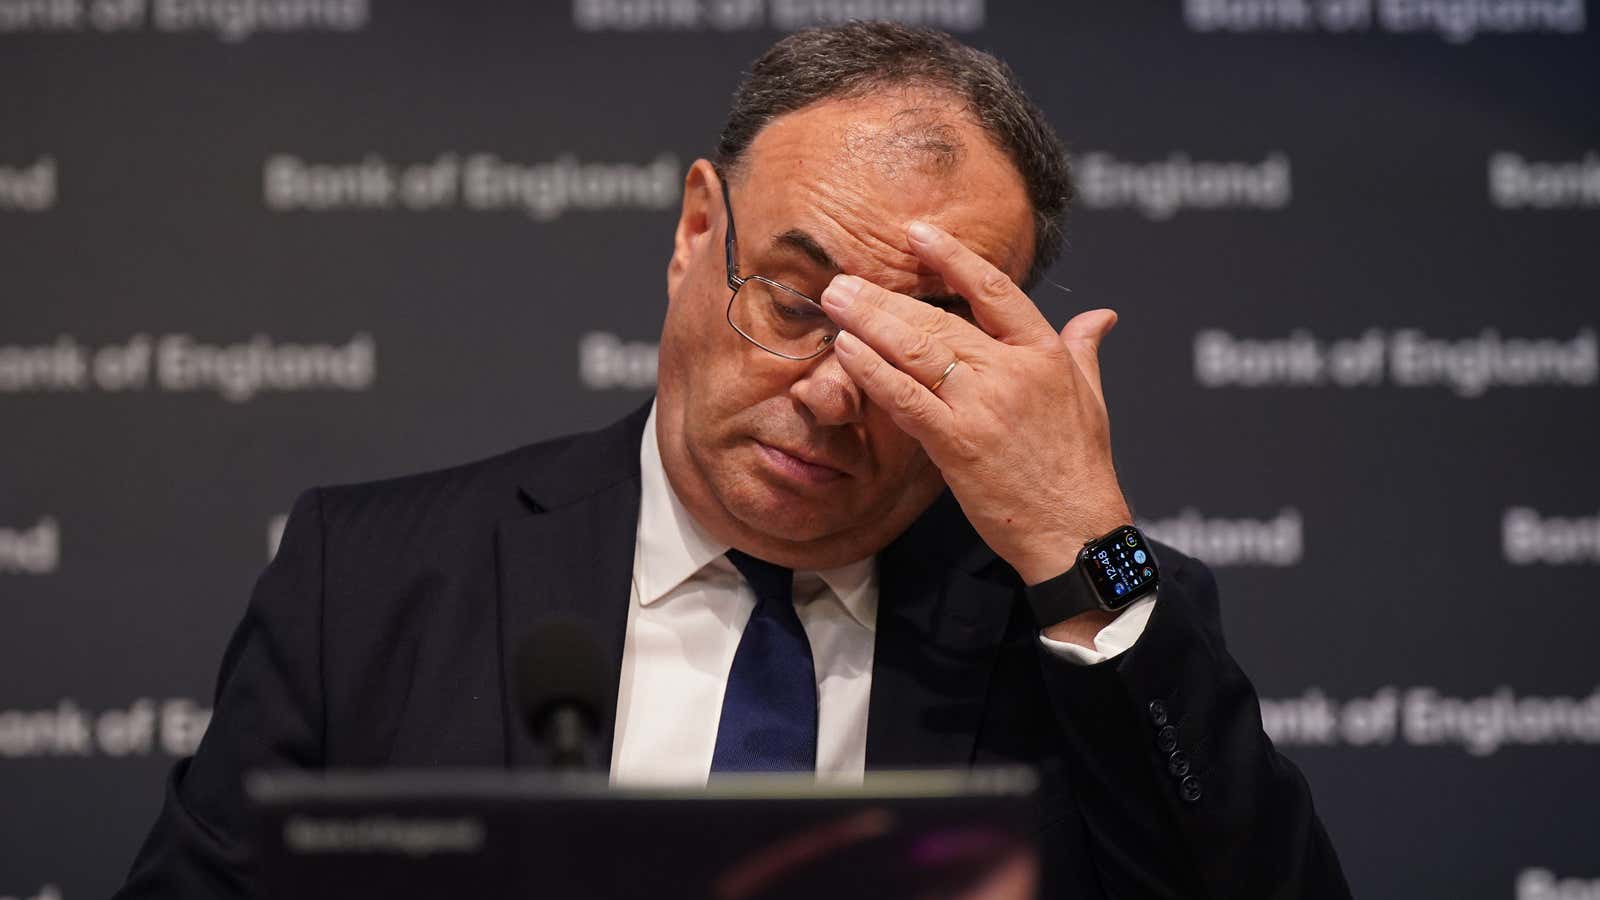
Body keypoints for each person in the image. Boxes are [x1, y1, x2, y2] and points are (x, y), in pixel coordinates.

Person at [116, 21, 1350, 899]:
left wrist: (1084, 547)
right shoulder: (373, 578)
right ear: (696, 232)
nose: (826, 394)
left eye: (909, 347)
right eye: (797, 299)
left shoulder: (1094, 613)